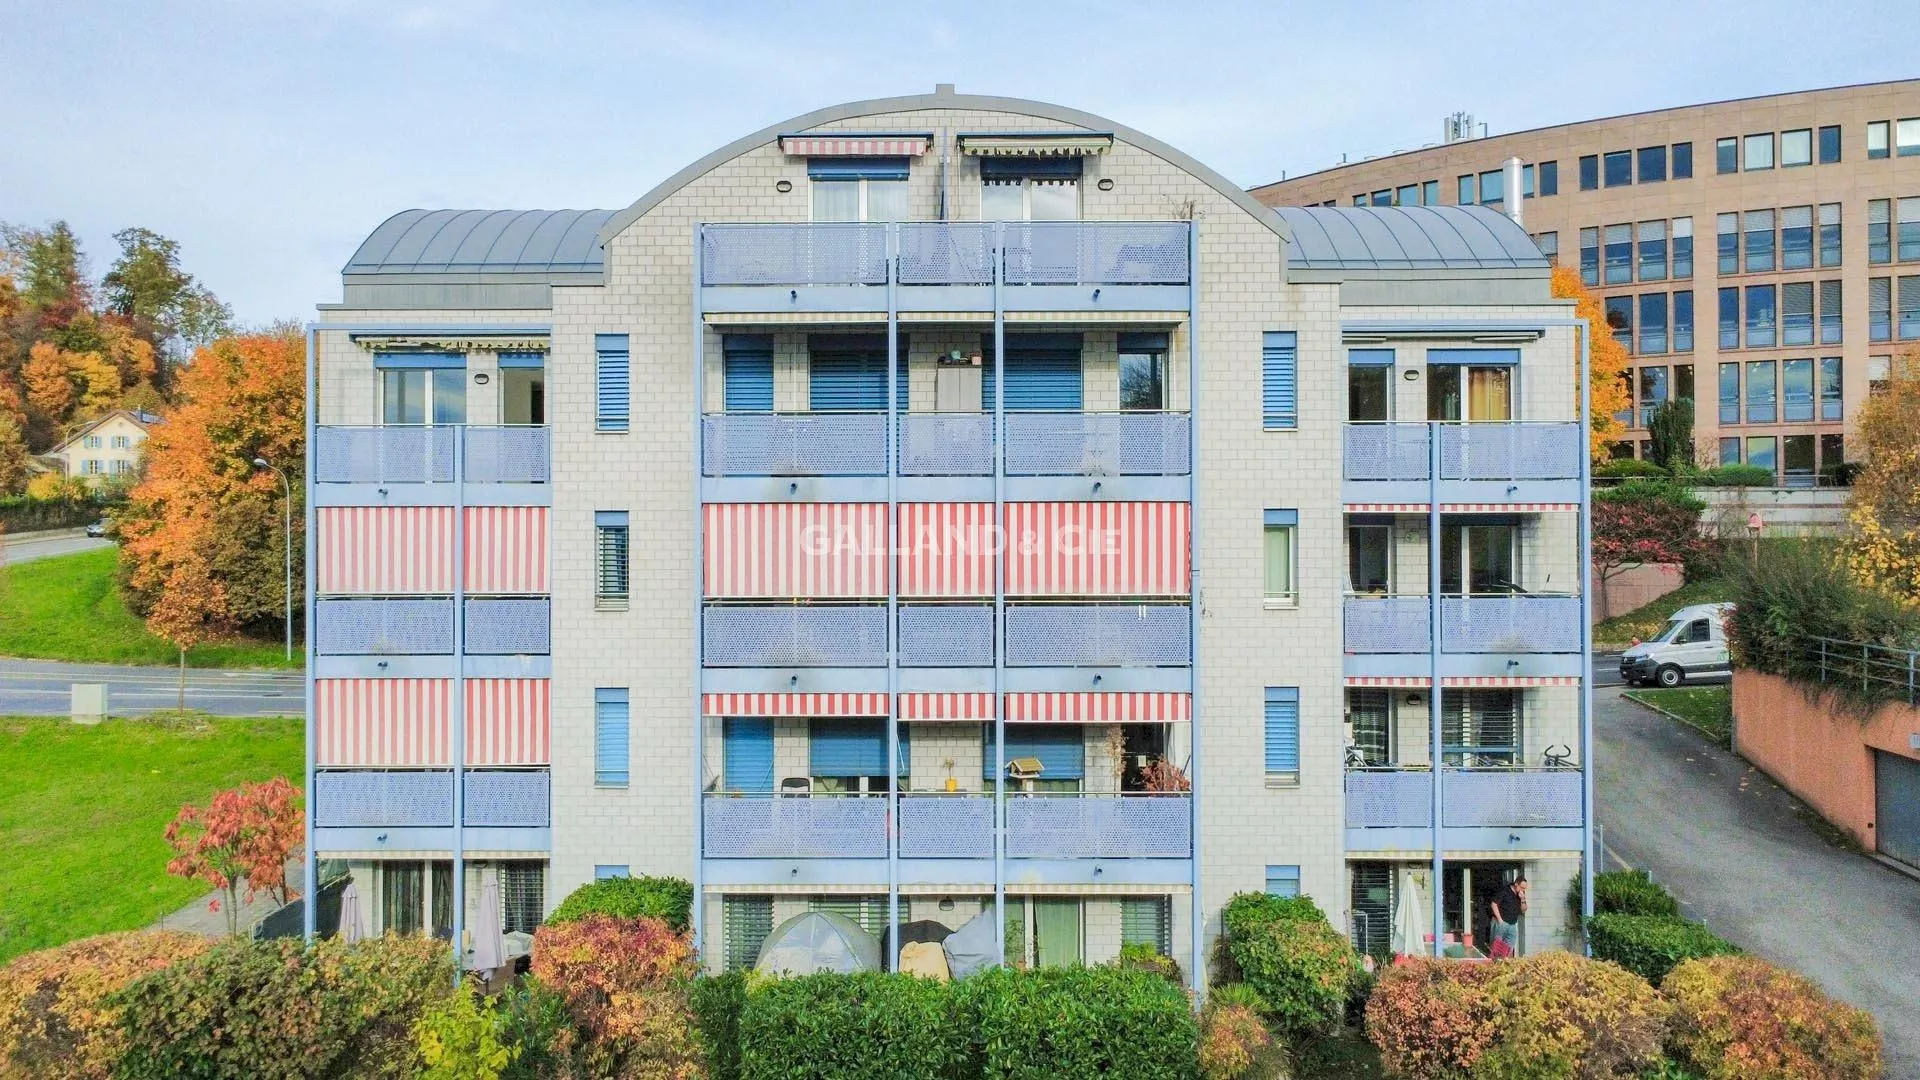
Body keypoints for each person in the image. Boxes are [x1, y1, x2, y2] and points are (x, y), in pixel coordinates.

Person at [1489, 874, 1528, 957]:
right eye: (1522, 887)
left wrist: (1523, 899)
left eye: (1524, 888)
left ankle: (1504, 965)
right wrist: (1500, 920)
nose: (1523, 890)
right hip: (1502, 923)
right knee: (1496, 949)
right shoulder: (1505, 890)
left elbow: (1523, 910)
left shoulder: (1520, 894)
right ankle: (1494, 964)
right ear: (1516, 884)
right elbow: (1493, 904)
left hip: (1513, 924)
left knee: (1508, 949)